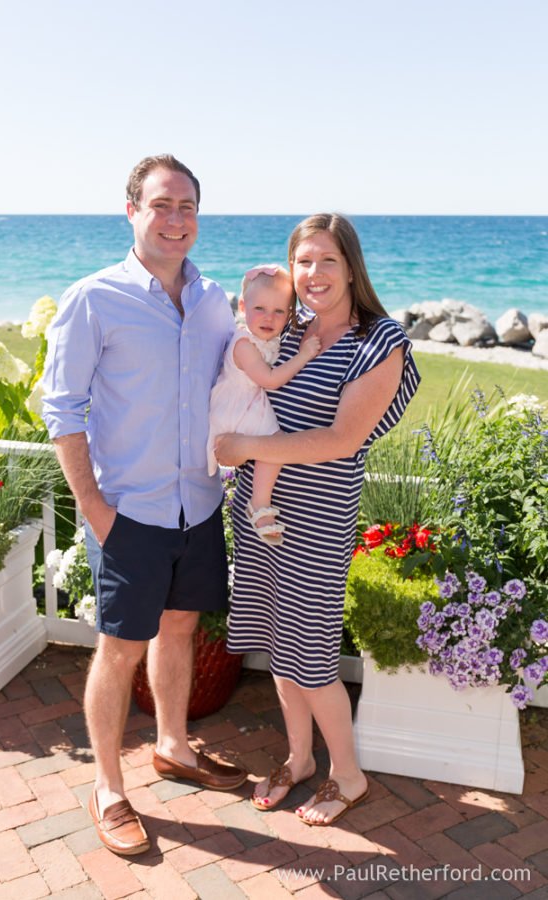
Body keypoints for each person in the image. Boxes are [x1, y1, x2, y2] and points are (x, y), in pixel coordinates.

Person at [42, 154, 247, 857]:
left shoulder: (218, 298)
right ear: (131, 211)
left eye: (188, 206)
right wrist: (95, 508)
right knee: (120, 648)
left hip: (198, 506)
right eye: (162, 204)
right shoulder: (94, 298)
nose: (176, 219)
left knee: (182, 629)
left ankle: (172, 746)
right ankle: (107, 787)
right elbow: (62, 410)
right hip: (128, 514)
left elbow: (244, 371)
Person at [215, 213, 421, 826]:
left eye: (326, 260)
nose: (313, 274)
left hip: (318, 520)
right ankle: (300, 758)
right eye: (302, 261)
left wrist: (245, 448)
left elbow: (340, 439)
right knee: (280, 646)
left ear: (351, 266)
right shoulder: (288, 328)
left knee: (312, 655)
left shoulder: (382, 342)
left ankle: (348, 775)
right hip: (260, 510)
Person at [206, 267, 321, 544]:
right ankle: (259, 503)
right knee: (276, 443)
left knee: (273, 446)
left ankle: (258, 502)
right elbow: (269, 380)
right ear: (243, 307)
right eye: (260, 308)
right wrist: (304, 356)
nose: (269, 318)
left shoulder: (263, 337)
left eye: (279, 311)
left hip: (247, 403)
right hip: (236, 409)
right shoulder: (244, 344)